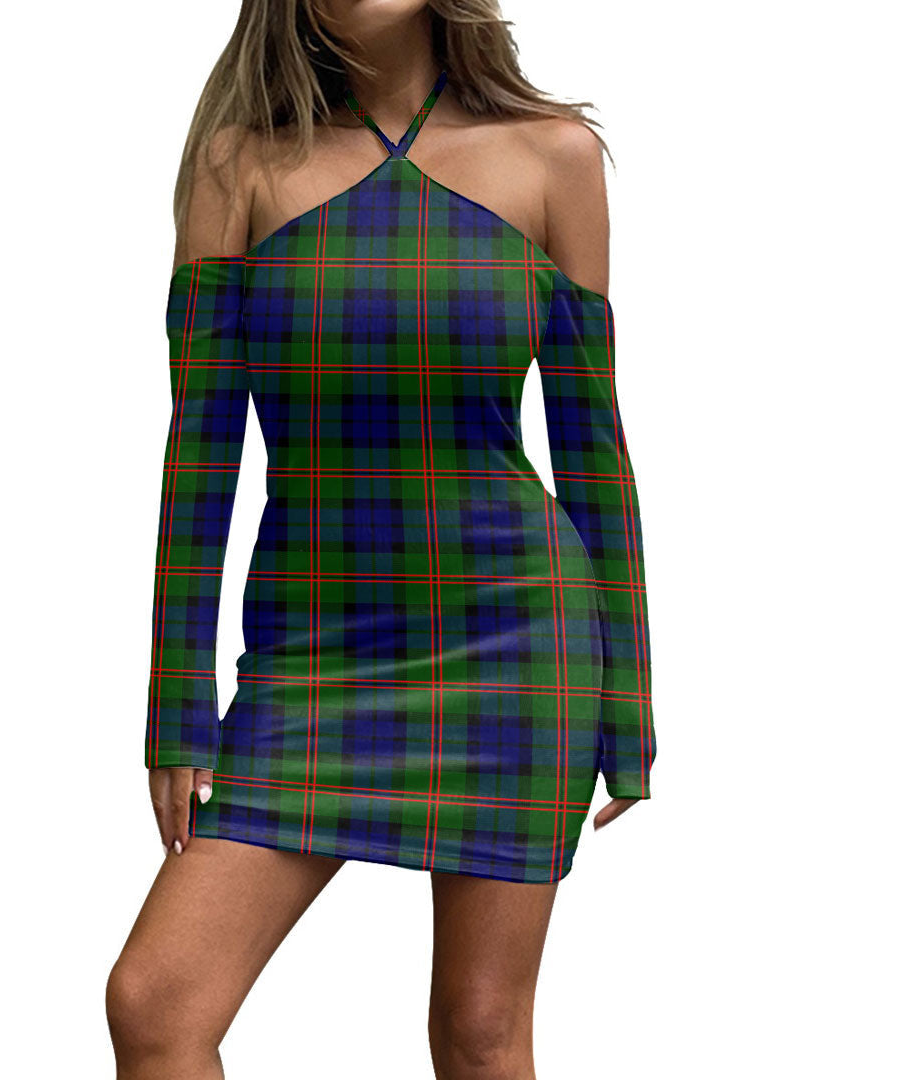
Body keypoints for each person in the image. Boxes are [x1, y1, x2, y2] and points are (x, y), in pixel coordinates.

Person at [107, 2, 656, 1076]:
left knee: (480, 1032)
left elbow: (594, 451)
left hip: (516, 643)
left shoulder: (555, 157)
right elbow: (200, 454)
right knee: (155, 1004)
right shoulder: (238, 166)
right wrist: (177, 700)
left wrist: (629, 702)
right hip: (312, 652)